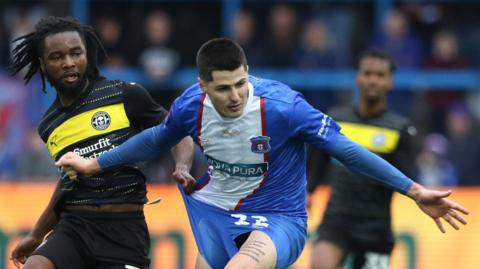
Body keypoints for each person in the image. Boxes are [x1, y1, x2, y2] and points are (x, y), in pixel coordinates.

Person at [56, 38, 469, 269]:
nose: (235, 96)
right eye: (223, 88)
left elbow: (347, 150)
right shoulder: (188, 107)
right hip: (216, 213)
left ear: (247, 72)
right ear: (203, 86)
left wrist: (414, 190)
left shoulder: (285, 107)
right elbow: (155, 140)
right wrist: (94, 162)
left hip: (280, 220)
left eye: (241, 83)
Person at [9, 16, 194, 269]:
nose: (68, 63)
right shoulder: (49, 125)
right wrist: (36, 235)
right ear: (42, 64)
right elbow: (68, 183)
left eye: (76, 53)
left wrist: (183, 165)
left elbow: (177, 132)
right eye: (57, 57)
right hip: (75, 227)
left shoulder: (124, 94)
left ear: (87, 54)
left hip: (124, 231)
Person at [306, 50, 416, 269]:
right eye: (367, 73)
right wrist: (308, 191)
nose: (373, 80)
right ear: (358, 78)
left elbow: (405, 178)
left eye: (379, 74)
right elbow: (317, 161)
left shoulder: (400, 128)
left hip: (376, 227)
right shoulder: (336, 119)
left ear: (390, 82)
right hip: (337, 218)